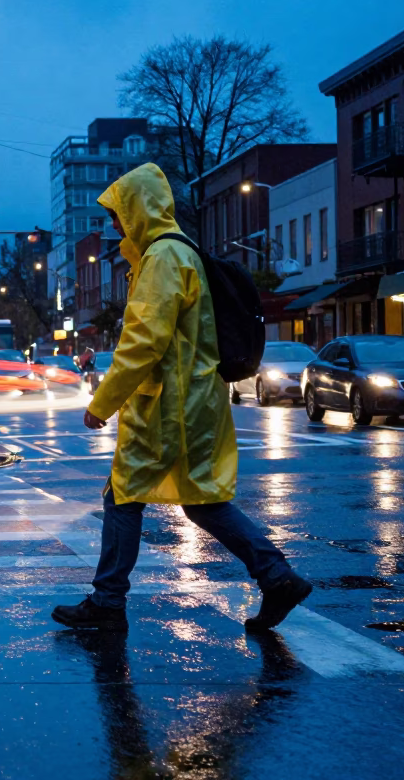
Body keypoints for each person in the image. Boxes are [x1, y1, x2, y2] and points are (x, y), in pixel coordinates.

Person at [52, 163, 312, 633]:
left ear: (138, 210)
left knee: (124, 495)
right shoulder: (179, 252)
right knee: (201, 499)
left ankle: (108, 603)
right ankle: (278, 578)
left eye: (118, 214)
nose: (115, 225)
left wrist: (102, 402)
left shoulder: (162, 258)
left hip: (167, 406)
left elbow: (144, 341)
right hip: (193, 400)